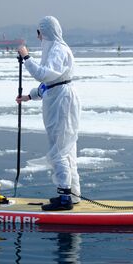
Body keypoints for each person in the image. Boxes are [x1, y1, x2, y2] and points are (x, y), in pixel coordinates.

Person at [16, 16, 81, 211]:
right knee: (65, 148)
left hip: (62, 102)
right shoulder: (54, 49)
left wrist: (27, 58)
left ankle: (64, 198)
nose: (38, 37)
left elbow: (46, 74)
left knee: (59, 149)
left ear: (45, 32)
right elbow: (50, 82)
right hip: (57, 98)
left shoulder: (59, 50)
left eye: (39, 33)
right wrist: (30, 95)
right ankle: (72, 194)